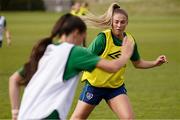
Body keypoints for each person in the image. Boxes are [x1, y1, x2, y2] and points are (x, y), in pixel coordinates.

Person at [9, 13, 135, 120]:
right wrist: (125, 54)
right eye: (83, 37)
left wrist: (15, 112)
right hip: (47, 116)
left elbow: (14, 80)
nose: (82, 42)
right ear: (76, 33)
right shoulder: (74, 52)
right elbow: (112, 67)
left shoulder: (45, 50)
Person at [70, 3, 168, 119]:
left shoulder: (129, 41)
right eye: (116, 21)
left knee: (128, 118)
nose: (119, 25)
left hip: (115, 87)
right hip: (94, 86)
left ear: (127, 23)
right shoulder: (102, 39)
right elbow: (85, 59)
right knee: (77, 118)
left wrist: (155, 63)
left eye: (122, 22)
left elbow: (137, 63)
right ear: (111, 22)